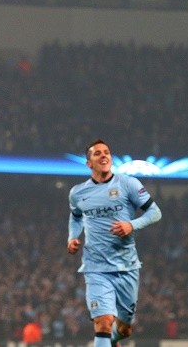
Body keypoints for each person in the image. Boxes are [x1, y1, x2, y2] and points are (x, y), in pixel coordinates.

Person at [68, 139, 162, 347]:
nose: (104, 156)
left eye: (107, 152)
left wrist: (132, 225)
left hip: (126, 266)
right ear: (89, 163)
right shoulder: (78, 193)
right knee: (103, 322)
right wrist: (73, 237)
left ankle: (112, 342)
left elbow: (155, 213)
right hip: (96, 267)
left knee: (124, 329)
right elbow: (75, 216)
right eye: (98, 153)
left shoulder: (128, 184)